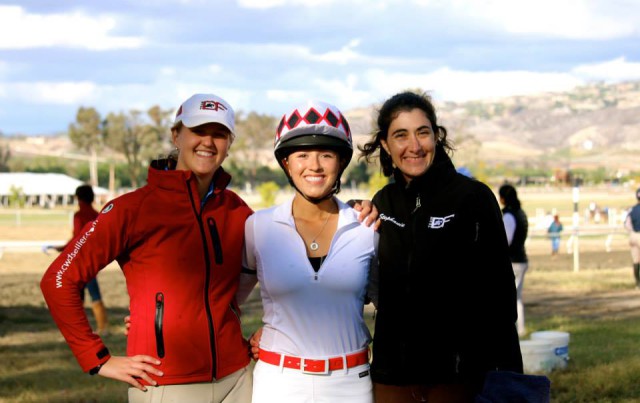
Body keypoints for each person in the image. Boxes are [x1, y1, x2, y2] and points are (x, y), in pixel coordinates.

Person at [41, 93, 255, 402]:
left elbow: (288, 267)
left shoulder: (236, 209)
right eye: (198, 130)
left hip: (237, 378)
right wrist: (97, 357)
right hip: (164, 383)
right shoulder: (132, 208)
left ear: (229, 143)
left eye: (219, 134)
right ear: (176, 135)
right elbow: (58, 280)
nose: (208, 142)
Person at [359, 91, 523, 403]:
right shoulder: (383, 203)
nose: (414, 146)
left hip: (457, 378)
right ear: (385, 144)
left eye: (423, 132)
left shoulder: (473, 198)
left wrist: (506, 373)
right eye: (401, 135)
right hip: (392, 376)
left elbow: (501, 294)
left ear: (436, 136)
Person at [239, 101, 377, 403]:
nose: (314, 165)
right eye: (302, 155)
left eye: (326, 155)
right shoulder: (258, 227)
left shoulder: (367, 227)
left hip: (351, 382)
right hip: (278, 382)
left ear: (340, 162)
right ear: (286, 163)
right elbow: (224, 302)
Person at [52, 184, 109, 335]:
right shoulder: (97, 214)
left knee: (78, 295)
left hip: (79, 261)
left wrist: (64, 249)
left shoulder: (79, 215)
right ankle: (102, 325)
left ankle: (78, 328)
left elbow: (77, 238)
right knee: (93, 293)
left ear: (79, 198)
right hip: (94, 259)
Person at [499, 184, 529, 337]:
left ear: (503, 198)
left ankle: (513, 330)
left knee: (508, 298)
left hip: (512, 262)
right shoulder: (521, 213)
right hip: (521, 259)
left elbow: (505, 240)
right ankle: (520, 329)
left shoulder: (509, 215)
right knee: (516, 298)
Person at [624, 187, 640, 289]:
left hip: (633, 235)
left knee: (636, 260)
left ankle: (638, 283)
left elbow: (626, 224)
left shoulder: (632, 209)